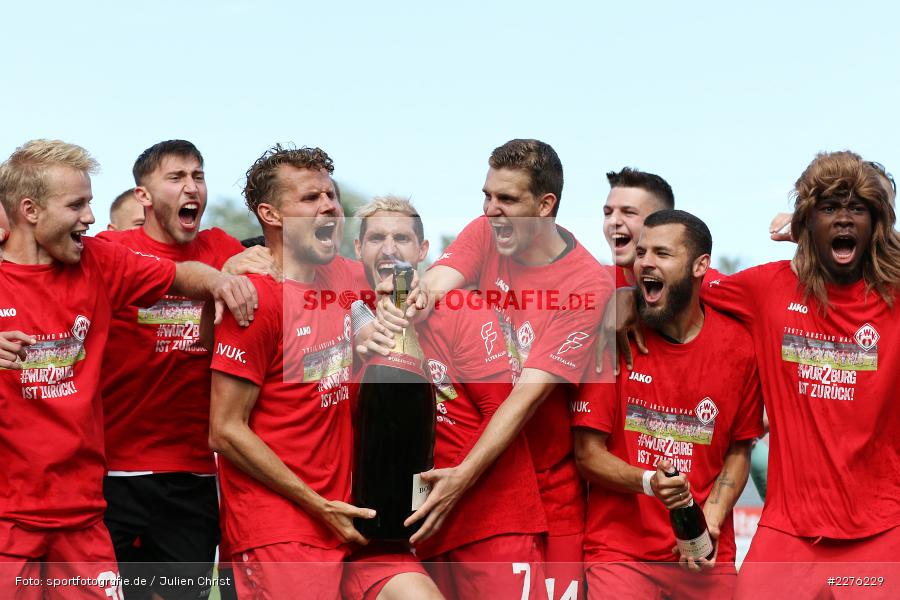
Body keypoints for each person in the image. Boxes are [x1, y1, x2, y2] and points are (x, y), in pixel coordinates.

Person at [0, 139, 255, 600]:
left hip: (83, 516)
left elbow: (181, 276)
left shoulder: (101, 262)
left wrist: (221, 279)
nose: (91, 218)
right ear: (29, 210)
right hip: (9, 523)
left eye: (90, 203)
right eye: (76, 205)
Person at [377, 139, 612, 600]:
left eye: (506, 200)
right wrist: (405, 298)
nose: (491, 210)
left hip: (547, 493)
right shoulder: (485, 233)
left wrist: (462, 475)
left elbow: (525, 397)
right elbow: (437, 284)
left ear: (545, 205)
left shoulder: (585, 284)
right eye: (487, 196)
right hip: (474, 490)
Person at [208, 145, 441, 600]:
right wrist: (316, 505)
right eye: (311, 198)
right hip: (285, 527)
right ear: (271, 214)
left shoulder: (344, 274)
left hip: (357, 519)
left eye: (331, 196)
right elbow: (224, 430)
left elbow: (404, 276)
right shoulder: (253, 300)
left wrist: (425, 289)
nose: (330, 206)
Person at [691, 151, 900, 599]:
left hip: (881, 531)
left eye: (856, 210)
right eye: (829, 209)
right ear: (808, 222)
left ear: (876, 224)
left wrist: (813, 224)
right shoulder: (769, 289)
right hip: (788, 533)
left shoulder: (895, 294)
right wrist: (625, 296)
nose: (843, 221)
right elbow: (685, 279)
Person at [355, 196, 548, 599]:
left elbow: (503, 410)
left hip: (492, 524)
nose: (389, 249)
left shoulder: (463, 310)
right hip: (415, 536)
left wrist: (459, 481)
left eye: (402, 238)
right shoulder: (357, 324)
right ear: (358, 250)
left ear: (423, 251)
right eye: (376, 238)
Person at [573, 210, 763, 599]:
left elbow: (739, 448)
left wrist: (712, 515)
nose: (645, 262)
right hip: (621, 555)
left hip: (703, 555)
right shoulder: (616, 337)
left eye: (662, 253)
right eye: (641, 252)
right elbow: (587, 454)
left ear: (700, 266)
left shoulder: (740, 347)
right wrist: (648, 482)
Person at [96, 140, 249, 600]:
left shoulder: (224, 248)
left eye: (198, 177)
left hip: (193, 473)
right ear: (143, 196)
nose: (191, 187)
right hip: (111, 471)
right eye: (176, 178)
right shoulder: (110, 249)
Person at [603, 167, 675, 287]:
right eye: (608, 213)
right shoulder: (594, 283)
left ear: (663, 224)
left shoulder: (700, 283)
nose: (613, 221)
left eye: (629, 212)